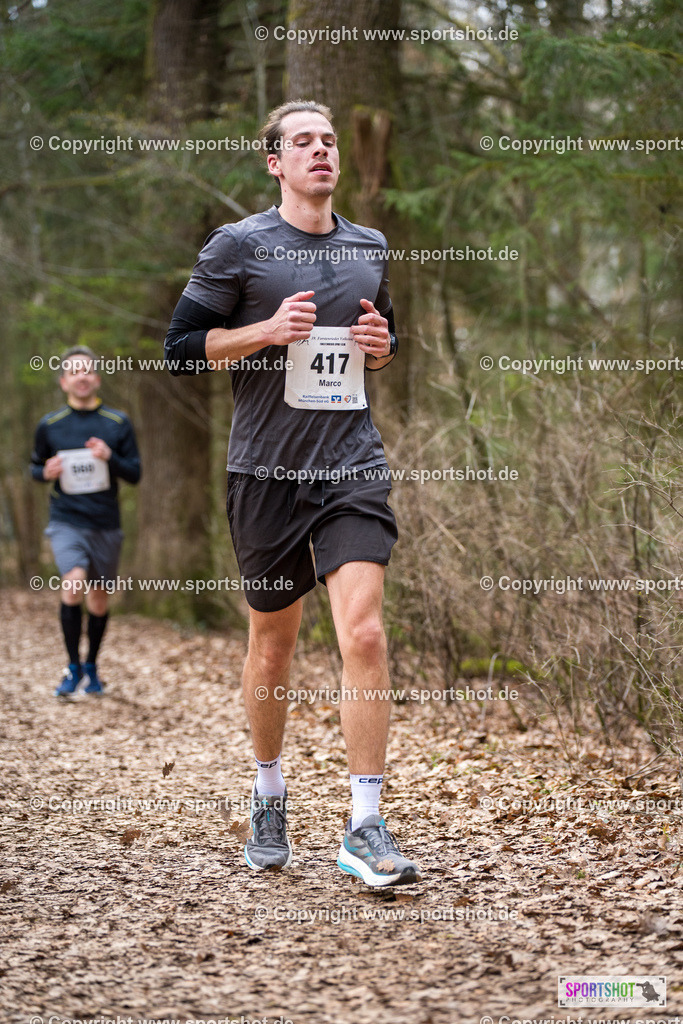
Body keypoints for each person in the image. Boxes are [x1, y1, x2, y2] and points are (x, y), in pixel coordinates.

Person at [164, 100, 421, 887]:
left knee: (366, 634)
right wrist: (265, 332)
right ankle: (268, 790)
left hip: (350, 466)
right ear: (274, 162)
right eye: (303, 141)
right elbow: (180, 349)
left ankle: (365, 824)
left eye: (329, 141)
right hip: (265, 473)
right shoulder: (238, 246)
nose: (321, 151)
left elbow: (381, 343)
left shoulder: (368, 246)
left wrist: (380, 352)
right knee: (273, 643)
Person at [31, 346, 141, 698]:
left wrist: (110, 458)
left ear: (97, 377)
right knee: (74, 582)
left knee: (98, 599)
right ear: (64, 381)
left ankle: (91, 665)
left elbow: (136, 473)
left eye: (88, 371)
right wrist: (43, 471)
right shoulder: (49, 425)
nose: (82, 377)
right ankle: (72, 666)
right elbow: (34, 466)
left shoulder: (117, 423)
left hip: (105, 522)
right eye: (74, 372)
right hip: (66, 520)